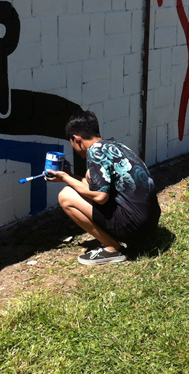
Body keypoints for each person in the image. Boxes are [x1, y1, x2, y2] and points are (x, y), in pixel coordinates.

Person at [48, 110, 161, 265]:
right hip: (149, 224)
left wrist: (66, 179)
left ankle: (111, 248)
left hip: (134, 228)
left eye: (71, 143)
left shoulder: (95, 151)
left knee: (66, 196)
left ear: (77, 139)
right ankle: (119, 240)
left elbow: (100, 197)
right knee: (89, 176)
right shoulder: (114, 146)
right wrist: (69, 175)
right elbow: (97, 187)